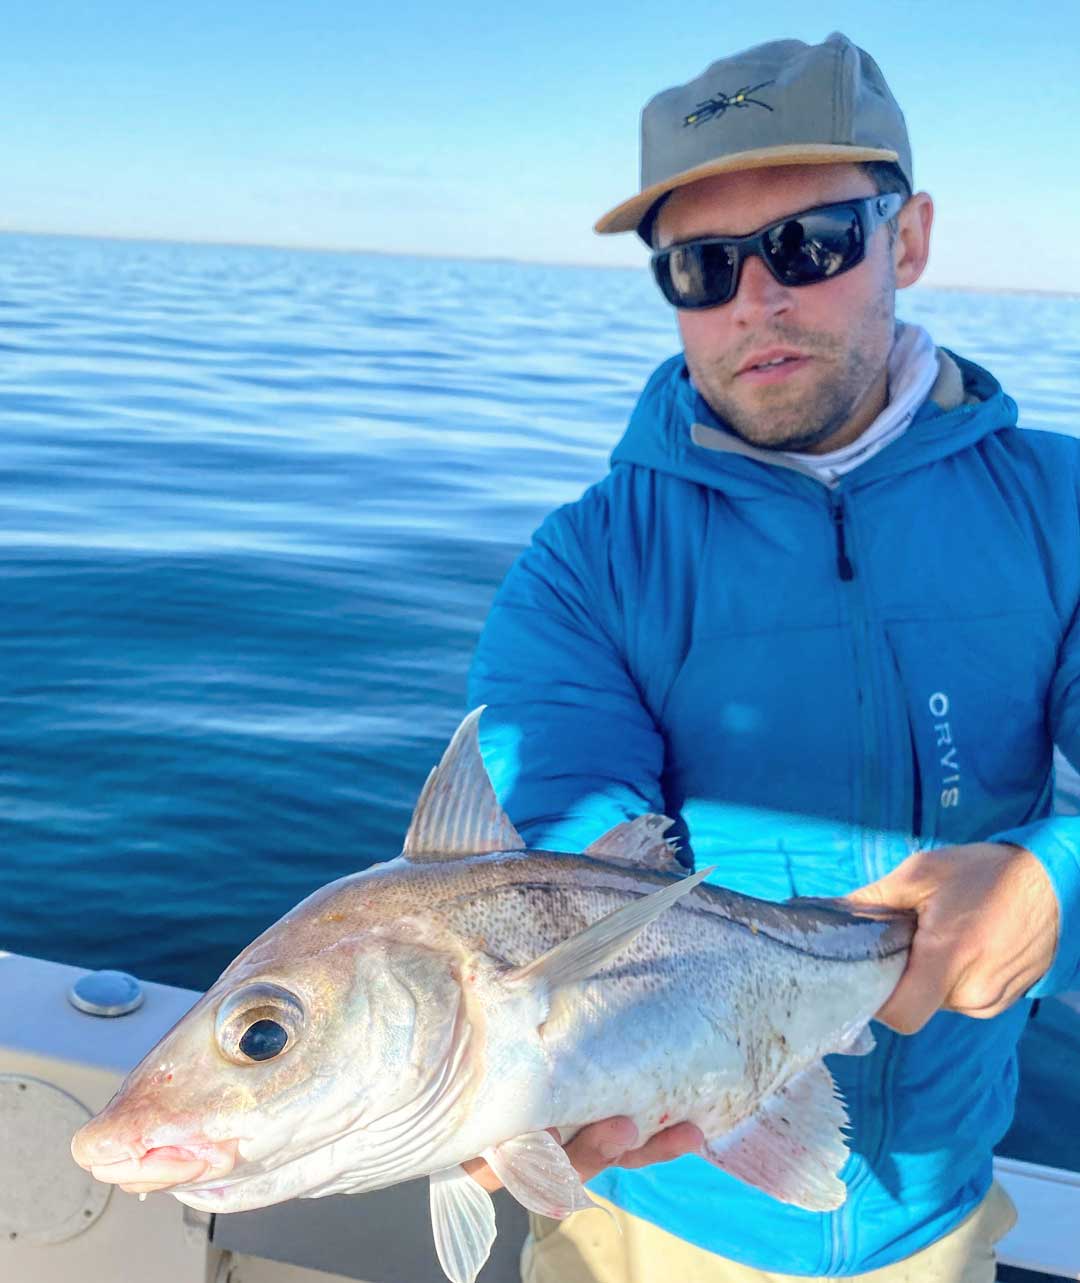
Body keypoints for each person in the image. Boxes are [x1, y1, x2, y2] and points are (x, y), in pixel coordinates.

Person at [465, 31, 1078, 1283]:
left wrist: (1054, 880)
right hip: (648, 1207)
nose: (756, 298)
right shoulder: (588, 562)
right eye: (701, 265)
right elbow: (568, 844)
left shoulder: (1062, 510)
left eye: (811, 243)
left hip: (935, 1216)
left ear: (908, 239)